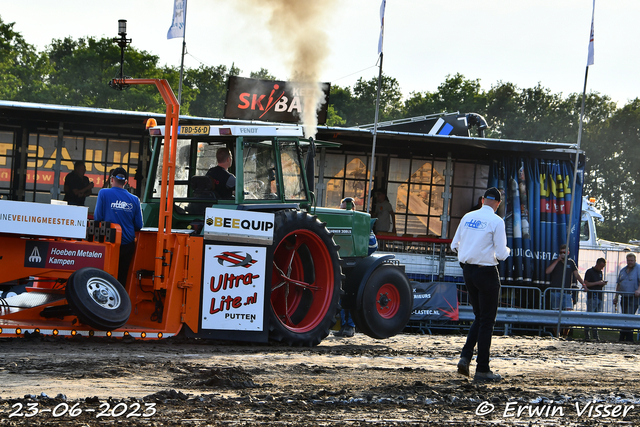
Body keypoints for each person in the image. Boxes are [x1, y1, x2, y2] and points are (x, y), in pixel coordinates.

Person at [451, 187, 510, 382]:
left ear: (483, 199)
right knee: (487, 321)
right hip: (486, 272)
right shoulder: (497, 221)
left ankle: (466, 356)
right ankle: (482, 368)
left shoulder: (468, 217)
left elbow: (454, 245)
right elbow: (501, 255)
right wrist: (507, 250)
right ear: (498, 204)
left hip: (468, 270)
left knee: (479, 316)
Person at [94, 167, 143, 286]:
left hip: (109, 243)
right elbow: (139, 225)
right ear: (125, 182)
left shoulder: (103, 193)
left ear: (112, 180)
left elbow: (97, 217)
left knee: (105, 276)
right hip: (127, 244)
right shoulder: (135, 199)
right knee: (122, 277)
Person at [545, 244, 585, 338]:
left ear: (568, 253)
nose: (563, 254)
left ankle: (565, 335)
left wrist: (583, 284)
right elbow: (547, 271)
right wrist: (558, 260)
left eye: (565, 252)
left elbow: (577, 275)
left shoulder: (571, 263)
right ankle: (557, 335)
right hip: (555, 292)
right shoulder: (555, 261)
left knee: (568, 314)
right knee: (555, 315)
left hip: (567, 292)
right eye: (561, 252)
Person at [334, 197, 357, 337]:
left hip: (354, 267)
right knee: (342, 298)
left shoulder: (359, 224)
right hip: (341, 266)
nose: (343, 211)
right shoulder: (338, 226)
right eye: (342, 209)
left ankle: (350, 326)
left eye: (345, 209)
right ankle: (343, 325)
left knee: (351, 296)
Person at [613, 253, 640, 342]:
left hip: (633, 297)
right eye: (628, 260)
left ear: (635, 260)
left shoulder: (638, 268)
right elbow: (619, 283)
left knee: (629, 316)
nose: (630, 262)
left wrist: (638, 290)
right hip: (623, 297)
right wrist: (616, 296)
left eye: (631, 260)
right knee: (624, 317)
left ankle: (627, 338)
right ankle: (624, 338)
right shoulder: (623, 270)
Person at [583, 258, 607, 341]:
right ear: (597, 264)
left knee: (596, 316)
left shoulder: (600, 273)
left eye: (603, 267)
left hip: (599, 296)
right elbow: (586, 283)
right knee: (589, 316)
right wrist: (597, 283)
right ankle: (587, 334)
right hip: (592, 297)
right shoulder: (589, 271)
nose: (601, 268)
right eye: (601, 266)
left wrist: (602, 283)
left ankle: (595, 335)